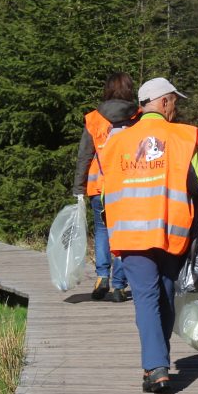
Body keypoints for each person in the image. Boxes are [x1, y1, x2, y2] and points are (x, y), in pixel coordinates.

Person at [101, 77, 198, 394]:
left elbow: (104, 189)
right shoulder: (183, 137)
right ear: (164, 102)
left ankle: (156, 367)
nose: (175, 107)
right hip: (171, 232)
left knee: (147, 298)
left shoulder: (117, 142)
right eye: (174, 101)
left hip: (131, 234)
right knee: (165, 297)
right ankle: (157, 365)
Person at [73, 72, 138, 302]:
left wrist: (78, 188)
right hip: (129, 186)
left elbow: (84, 156)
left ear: (107, 90)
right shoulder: (138, 117)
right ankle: (120, 285)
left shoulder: (94, 119)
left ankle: (102, 276)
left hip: (98, 186)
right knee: (123, 234)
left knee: (102, 231)